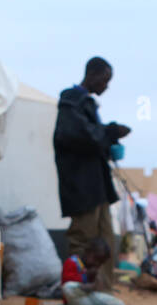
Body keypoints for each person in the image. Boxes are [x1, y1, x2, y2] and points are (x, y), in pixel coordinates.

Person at [54, 57, 130, 290]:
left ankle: (102, 294)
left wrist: (109, 139)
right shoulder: (71, 100)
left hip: (98, 188)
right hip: (82, 187)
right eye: (105, 80)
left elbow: (94, 138)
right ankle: (75, 294)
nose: (106, 86)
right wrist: (110, 131)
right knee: (82, 241)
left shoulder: (86, 105)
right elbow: (81, 136)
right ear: (94, 75)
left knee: (104, 243)